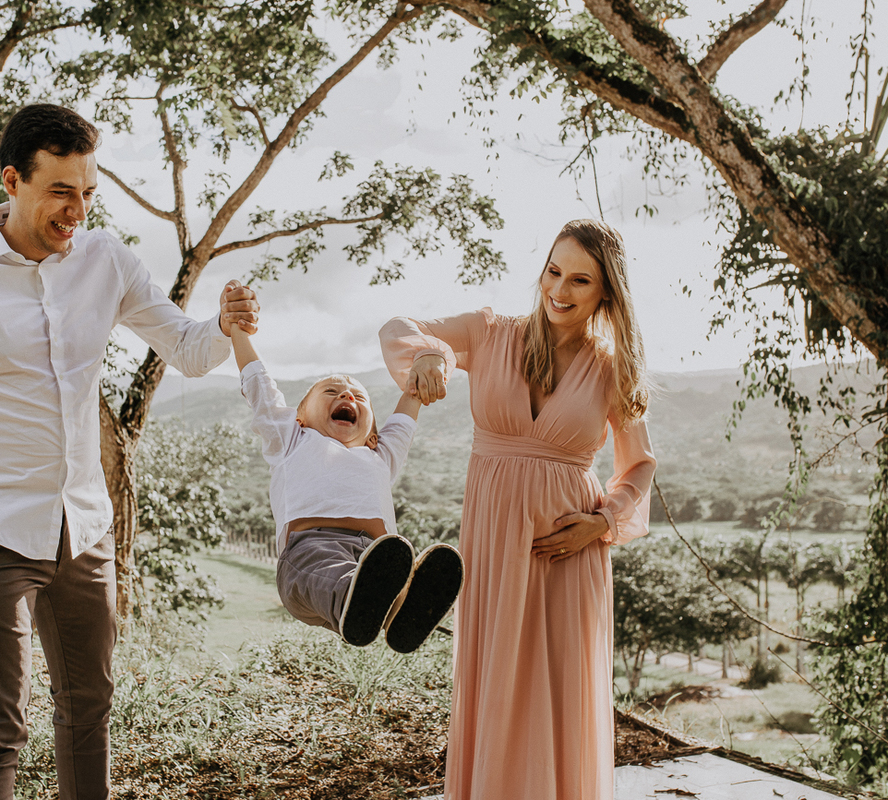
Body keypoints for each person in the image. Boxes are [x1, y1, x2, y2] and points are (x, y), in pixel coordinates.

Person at [0, 103, 259, 800]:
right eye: (60, 192)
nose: (77, 211)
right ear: (12, 182)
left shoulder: (106, 261)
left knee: (88, 710)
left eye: (87, 193)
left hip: (85, 531)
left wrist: (224, 326)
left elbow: (191, 351)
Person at [380, 218, 657, 800]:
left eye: (581, 280)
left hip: (570, 551)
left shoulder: (611, 368)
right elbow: (398, 327)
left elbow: (639, 465)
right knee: (498, 682)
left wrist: (603, 522)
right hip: (495, 542)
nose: (560, 289)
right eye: (553, 271)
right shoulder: (488, 333)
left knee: (559, 688)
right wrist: (431, 354)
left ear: (606, 291)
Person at [230, 322, 463, 653]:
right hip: (310, 552)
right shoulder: (291, 438)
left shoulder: (380, 454)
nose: (346, 395)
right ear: (300, 417)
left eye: (359, 397)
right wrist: (238, 332)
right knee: (338, 573)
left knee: (390, 571)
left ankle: (401, 612)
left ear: (372, 434)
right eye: (331, 392)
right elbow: (259, 384)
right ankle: (364, 601)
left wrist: (420, 379)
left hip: (374, 556)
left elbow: (410, 404)